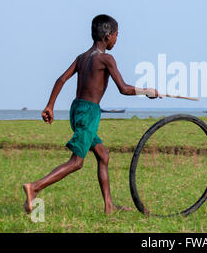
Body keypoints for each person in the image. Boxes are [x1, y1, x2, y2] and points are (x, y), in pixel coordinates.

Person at [23, 14, 160, 214]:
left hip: (76, 109)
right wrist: (146, 91)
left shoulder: (82, 58)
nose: (117, 39)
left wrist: (50, 106)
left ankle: (109, 206)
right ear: (108, 36)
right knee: (76, 162)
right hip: (88, 113)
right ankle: (34, 187)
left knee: (103, 156)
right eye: (116, 35)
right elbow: (123, 88)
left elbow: (61, 79)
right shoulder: (106, 58)